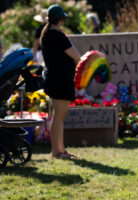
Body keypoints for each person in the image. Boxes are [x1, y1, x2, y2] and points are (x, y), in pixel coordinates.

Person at [40, 4, 80, 159]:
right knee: (58, 117)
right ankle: (56, 152)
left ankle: (61, 150)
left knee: (58, 116)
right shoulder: (57, 35)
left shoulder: (47, 34)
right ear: (61, 19)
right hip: (60, 80)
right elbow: (76, 56)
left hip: (54, 79)